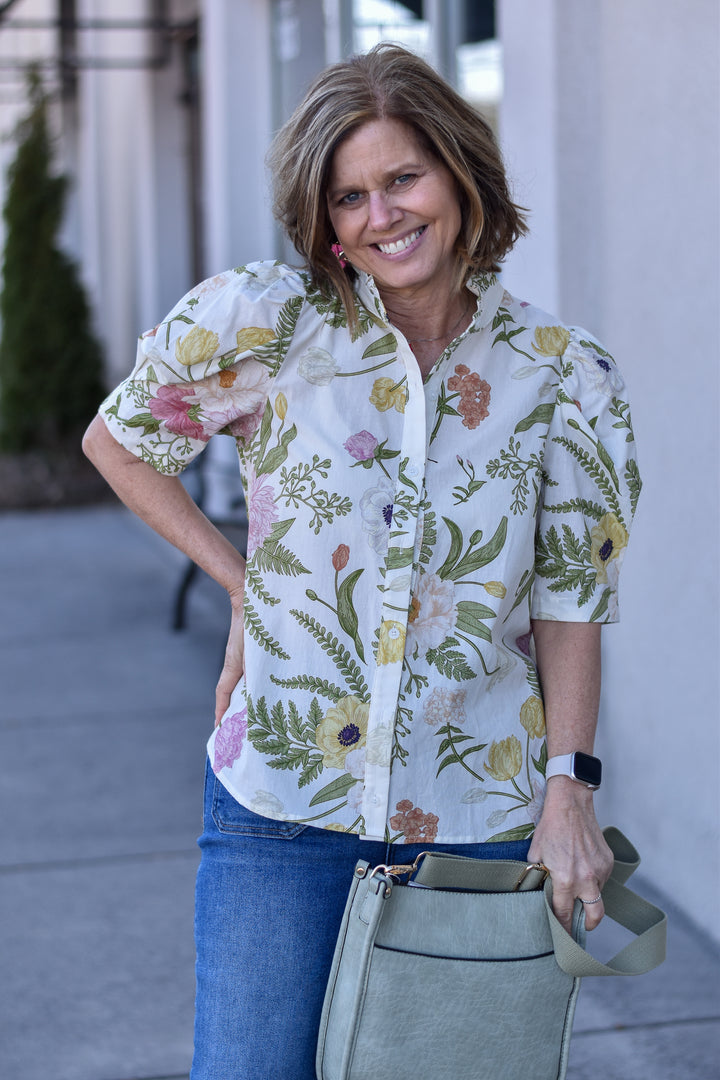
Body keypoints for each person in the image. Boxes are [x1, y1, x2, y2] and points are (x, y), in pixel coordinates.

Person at [83, 43, 640, 1080]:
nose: (380, 215)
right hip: (281, 807)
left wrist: (571, 784)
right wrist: (245, 586)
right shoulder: (268, 325)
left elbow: (573, 595)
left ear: (461, 173)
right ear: (322, 219)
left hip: (473, 823)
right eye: (349, 197)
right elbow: (120, 442)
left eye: (402, 179)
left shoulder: (564, 374)